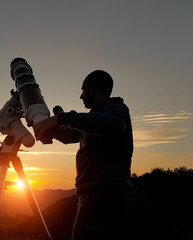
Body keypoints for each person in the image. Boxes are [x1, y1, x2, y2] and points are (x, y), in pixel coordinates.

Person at [34, 70, 133, 239]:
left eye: (83, 90)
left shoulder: (115, 109)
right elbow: (72, 135)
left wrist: (60, 119)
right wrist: (52, 132)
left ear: (93, 88)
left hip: (102, 196)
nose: (81, 96)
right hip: (94, 194)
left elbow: (114, 124)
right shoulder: (95, 119)